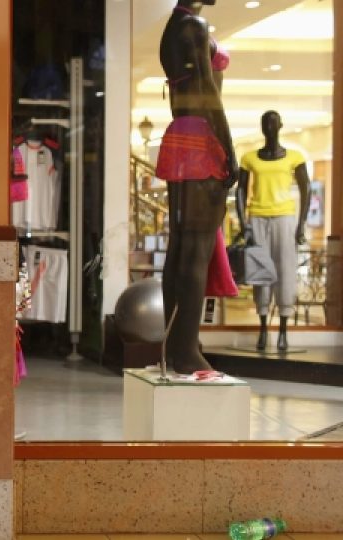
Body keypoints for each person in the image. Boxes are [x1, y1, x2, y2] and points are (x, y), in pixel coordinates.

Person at [155, 0, 238, 374]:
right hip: (201, 138)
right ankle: (186, 350)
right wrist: (229, 148)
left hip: (179, 135)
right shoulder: (194, 27)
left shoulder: (175, 26)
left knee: (182, 247)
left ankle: (177, 346)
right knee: (196, 250)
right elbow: (206, 91)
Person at [235, 110, 310, 351]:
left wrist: (301, 224)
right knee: (261, 273)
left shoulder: (295, 157)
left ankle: (284, 330)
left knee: (286, 270)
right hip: (257, 218)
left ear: (280, 125)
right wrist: (243, 222)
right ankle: (264, 327)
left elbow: (307, 189)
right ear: (261, 127)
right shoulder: (249, 158)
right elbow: (241, 190)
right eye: (266, 122)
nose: (270, 126)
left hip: (285, 218)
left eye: (274, 122)